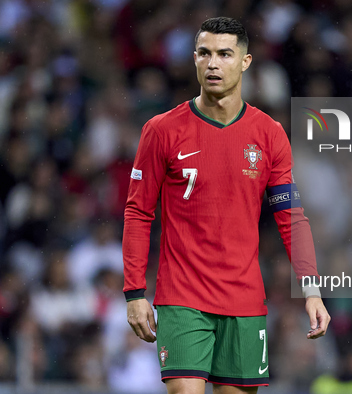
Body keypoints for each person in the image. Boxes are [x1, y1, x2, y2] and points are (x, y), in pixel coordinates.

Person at [122, 17, 330, 394]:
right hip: (182, 295)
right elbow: (138, 212)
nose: (213, 63)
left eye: (224, 54)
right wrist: (135, 292)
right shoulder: (162, 130)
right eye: (204, 53)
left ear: (245, 62)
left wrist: (311, 288)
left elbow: (291, 217)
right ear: (194, 59)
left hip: (244, 297)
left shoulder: (269, 134)